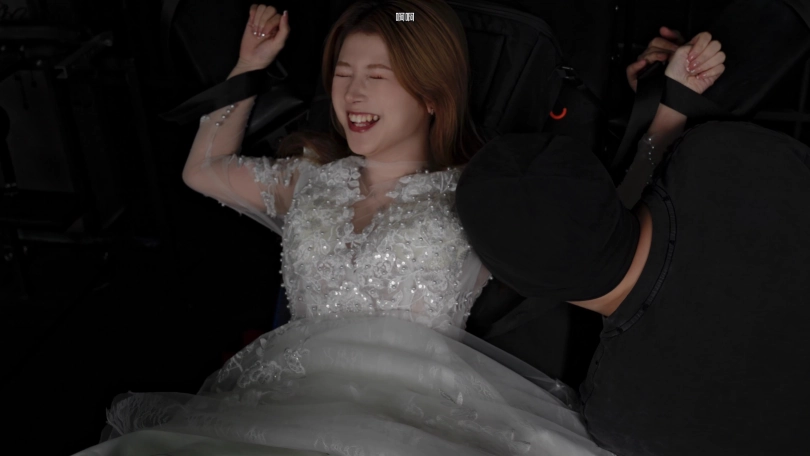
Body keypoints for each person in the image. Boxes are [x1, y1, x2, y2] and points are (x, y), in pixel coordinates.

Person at [72, 1, 613, 455]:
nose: (353, 94)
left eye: (376, 77)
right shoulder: (310, 178)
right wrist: (249, 63)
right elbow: (204, 170)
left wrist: (654, 126)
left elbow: (592, 253)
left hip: (414, 411)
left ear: (431, 94)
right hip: (288, 398)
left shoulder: (476, 192)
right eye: (342, 74)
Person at [456, 13, 810, 456]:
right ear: (597, 173)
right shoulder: (721, 154)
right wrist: (669, 108)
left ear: (524, 284)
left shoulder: (622, 413)